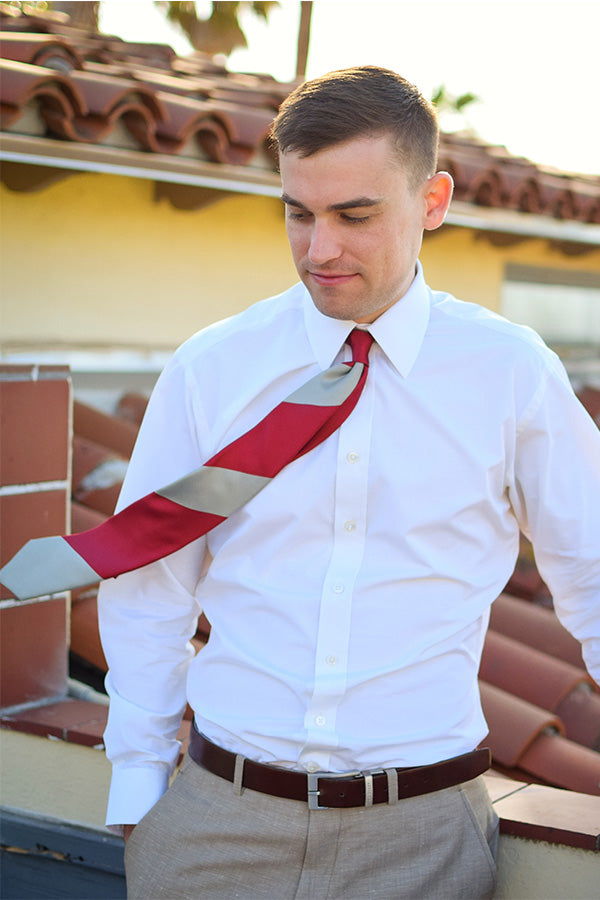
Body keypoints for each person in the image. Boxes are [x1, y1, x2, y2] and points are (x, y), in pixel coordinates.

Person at [97, 66, 600, 899]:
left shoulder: (509, 373)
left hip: (423, 840)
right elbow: (153, 577)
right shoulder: (213, 368)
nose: (318, 248)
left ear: (432, 202)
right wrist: (140, 788)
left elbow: (592, 570)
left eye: (354, 216)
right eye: (299, 213)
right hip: (215, 826)